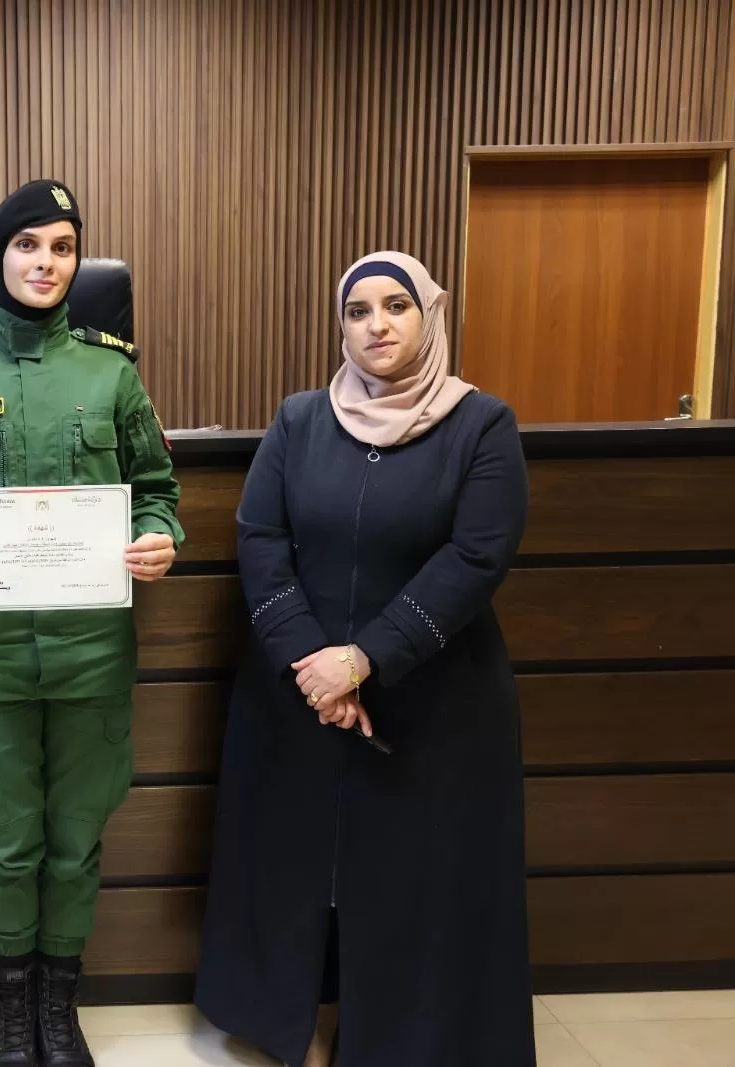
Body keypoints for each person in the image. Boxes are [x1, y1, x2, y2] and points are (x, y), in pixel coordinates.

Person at [194, 251, 534, 1066]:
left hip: (434, 697)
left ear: (430, 314)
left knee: (413, 871)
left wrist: (366, 658)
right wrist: (316, 662)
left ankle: (399, 1033)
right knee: (305, 867)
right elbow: (261, 537)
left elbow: (476, 556)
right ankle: (303, 1021)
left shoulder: (482, 425)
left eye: (396, 305)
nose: (377, 325)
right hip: (299, 690)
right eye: (358, 311)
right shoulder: (300, 420)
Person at [0, 180, 183, 1067]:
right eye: (28, 245)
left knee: (76, 844)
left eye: (62, 247)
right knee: (7, 845)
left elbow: (158, 491)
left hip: (93, 659)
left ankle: (61, 1010)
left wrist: (159, 537)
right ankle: (13, 1015)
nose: (46, 263)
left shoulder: (112, 372)